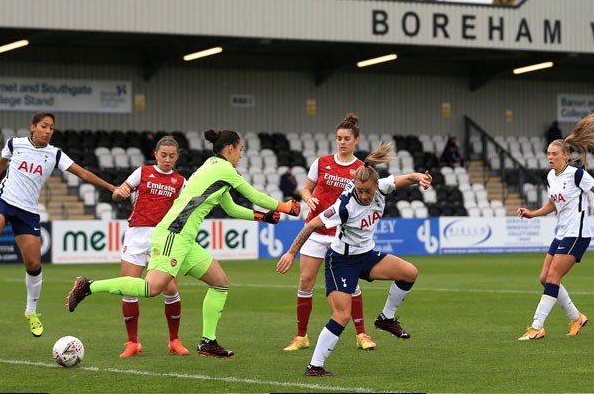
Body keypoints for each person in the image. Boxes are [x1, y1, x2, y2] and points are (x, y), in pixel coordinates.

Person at [66, 129, 301, 358]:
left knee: (220, 283)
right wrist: (286, 207)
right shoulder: (224, 169)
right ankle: (88, 286)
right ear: (230, 148)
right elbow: (254, 196)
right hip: (173, 235)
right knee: (151, 288)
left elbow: (230, 208)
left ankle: (208, 342)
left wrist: (262, 216)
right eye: (241, 149)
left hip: (184, 239)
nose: (241, 154)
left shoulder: (212, 167)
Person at [0, 112, 116, 337]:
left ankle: (31, 312)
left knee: (34, 265)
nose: (48, 131)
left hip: (28, 211)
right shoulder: (15, 144)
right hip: (4, 200)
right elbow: (1, 163)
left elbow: (83, 174)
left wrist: (112, 188)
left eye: (51, 128)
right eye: (44, 126)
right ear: (33, 127)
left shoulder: (55, 154)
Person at [276, 142, 432, 376]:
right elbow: (311, 225)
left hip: (366, 256)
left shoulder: (381, 187)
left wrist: (420, 177)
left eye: (367, 191)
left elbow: (404, 179)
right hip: (341, 262)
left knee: (409, 273)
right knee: (341, 316)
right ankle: (314, 367)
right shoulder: (345, 206)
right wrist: (290, 252)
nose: (363, 195)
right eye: (359, 190)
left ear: (375, 185)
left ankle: (385, 319)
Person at [277, 113, 378, 352]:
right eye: (338, 138)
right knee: (305, 281)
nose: (342, 142)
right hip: (315, 230)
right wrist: (309, 199)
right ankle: (301, 336)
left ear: (356, 140)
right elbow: (305, 189)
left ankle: (362, 334)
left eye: (346, 138)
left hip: (342, 236)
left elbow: (368, 198)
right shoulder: (321, 162)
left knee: (351, 286)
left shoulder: (361, 169)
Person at [516, 113, 594, 341]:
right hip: (562, 233)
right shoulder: (550, 176)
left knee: (553, 277)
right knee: (544, 278)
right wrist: (532, 214)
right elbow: (552, 204)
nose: (550, 157)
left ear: (565, 156)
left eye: (554, 154)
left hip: (578, 234)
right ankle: (576, 317)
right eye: (548, 154)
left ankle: (537, 326)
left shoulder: (576, 174)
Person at [111, 135, 189, 358]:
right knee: (129, 287)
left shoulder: (181, 182)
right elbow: (118, 192)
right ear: (155, 154)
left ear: (177, 157)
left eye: (171, 156)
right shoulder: (142, 172)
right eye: (163, 155)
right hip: (137, 234)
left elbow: (185, 212)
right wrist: (120, 192)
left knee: (171, 289)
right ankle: (132, 342)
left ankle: (174, 340)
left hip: (164, 238)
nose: (167, 160)